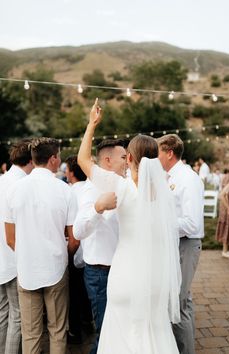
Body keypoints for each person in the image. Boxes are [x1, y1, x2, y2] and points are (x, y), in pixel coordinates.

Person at [77, 99, 181, 354]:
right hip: (154, 278)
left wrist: (92, 124)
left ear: (130, 157)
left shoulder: (121, 187)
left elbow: (83, 160)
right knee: (153, 332)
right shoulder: (164, 193)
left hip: (125, 275)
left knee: (120, 337)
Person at [4, 137, 78, 354]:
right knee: (57, 330)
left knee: (31, 333)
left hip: (26, 269)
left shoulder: (14, 190)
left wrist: (29, 254)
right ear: (54, 159)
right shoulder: (65, 190)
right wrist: (63, 257)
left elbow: (10, 238)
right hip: (56, 267)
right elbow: (73, 239)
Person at [73, 138, 127, 354]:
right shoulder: (91, 190)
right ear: (107, 160)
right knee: (105, 333)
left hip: (121, 270)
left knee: (118, 331)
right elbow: (78, 232)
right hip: (100, 274)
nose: (127, 161)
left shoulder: (120, 184)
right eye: (123, 157)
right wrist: (98, 208)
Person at [157, 134, 204, 354]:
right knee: (183, 300)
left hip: (186, 244)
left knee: (178, 305)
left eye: (158, 152)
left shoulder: (187, 178)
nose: (155, 157)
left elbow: (192, 223)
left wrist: (160, 223)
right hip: (175, 244)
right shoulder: (168, 176)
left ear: (169, 153)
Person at [0, 139, 33, 354]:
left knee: (2, 313)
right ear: (31, 160)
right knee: (18, 316)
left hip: (1, 256)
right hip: (12, 257)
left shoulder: (3, 180)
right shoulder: (21, 185)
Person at [65, 155, 93, 344]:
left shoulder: (69, 193)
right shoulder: (91, 189)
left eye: (67, 169)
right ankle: (88, 321)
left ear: (72, 173)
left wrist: (68, 253)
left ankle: (74, 332)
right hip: (91, 252)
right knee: (86, 292)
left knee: (73, 293)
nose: (65, 172)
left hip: (75, 250)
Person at [215, 159, 229, 257]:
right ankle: (225, 249)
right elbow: (223, 194)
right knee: (227, 227)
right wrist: (228, 207)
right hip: (227, 204)